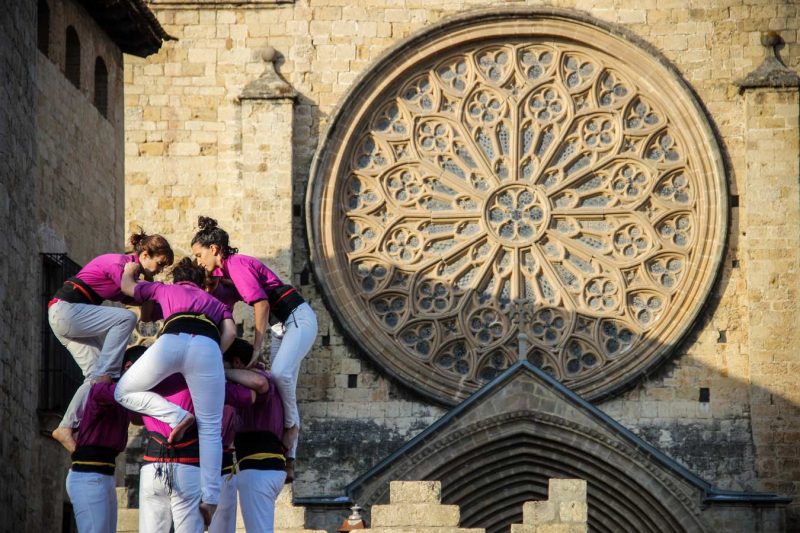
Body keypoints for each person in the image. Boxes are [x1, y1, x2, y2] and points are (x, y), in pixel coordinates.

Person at [191, 216, 317, 481]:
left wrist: (257, 347)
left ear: (214, 249)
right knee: (281, 384)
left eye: (199, 254)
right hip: (282, 326)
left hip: (298, 318)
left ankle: (291, 429)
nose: (198, 261)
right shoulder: (225, 275)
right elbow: (221, 307)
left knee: (281, 375)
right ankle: (290, 457)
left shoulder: (236, 264)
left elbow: (261, 304)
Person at [114, 257, 236, 524]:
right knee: (211, 427)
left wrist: (131, 270)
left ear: (177, 277)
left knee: (123, 391)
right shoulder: (215, 303)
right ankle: (211, 500)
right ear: (199, 281)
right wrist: (216, 353)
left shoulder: (165, 289)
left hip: (171, 341)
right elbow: (231, 332)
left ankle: (176, 416)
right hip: (207, 345)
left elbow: (127, 288)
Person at [49, 230, 173, 452]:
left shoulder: (132, 275)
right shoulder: (118, 263)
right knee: (125, 317)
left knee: (94, 378)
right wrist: (139, 277)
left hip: (69, 318)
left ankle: (65, 427)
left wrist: (151, 281)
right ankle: (109, 372)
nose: (160, 269)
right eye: (160, 263)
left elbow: (145, 313)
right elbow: (129, 291)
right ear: (145, 255)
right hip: (65, 310)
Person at [135, 370, 254, 533]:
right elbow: (250, 395)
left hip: (152, 466)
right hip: (187, 466)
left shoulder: (146, 380)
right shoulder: (201, 379)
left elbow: (132, 415)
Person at [65, 345, 141, 533]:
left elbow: (138, 418)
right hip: (89, 476)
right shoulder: (104, 390)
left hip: (105, 475)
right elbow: (100, 390)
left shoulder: (125, 397)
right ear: (129, 367)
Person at [223, 338, 287, 532]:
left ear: (236, 363)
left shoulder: (259, 377)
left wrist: (223, 373)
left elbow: (259, 382)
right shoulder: (253, 381)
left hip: (258, 470)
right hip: (263, 469)